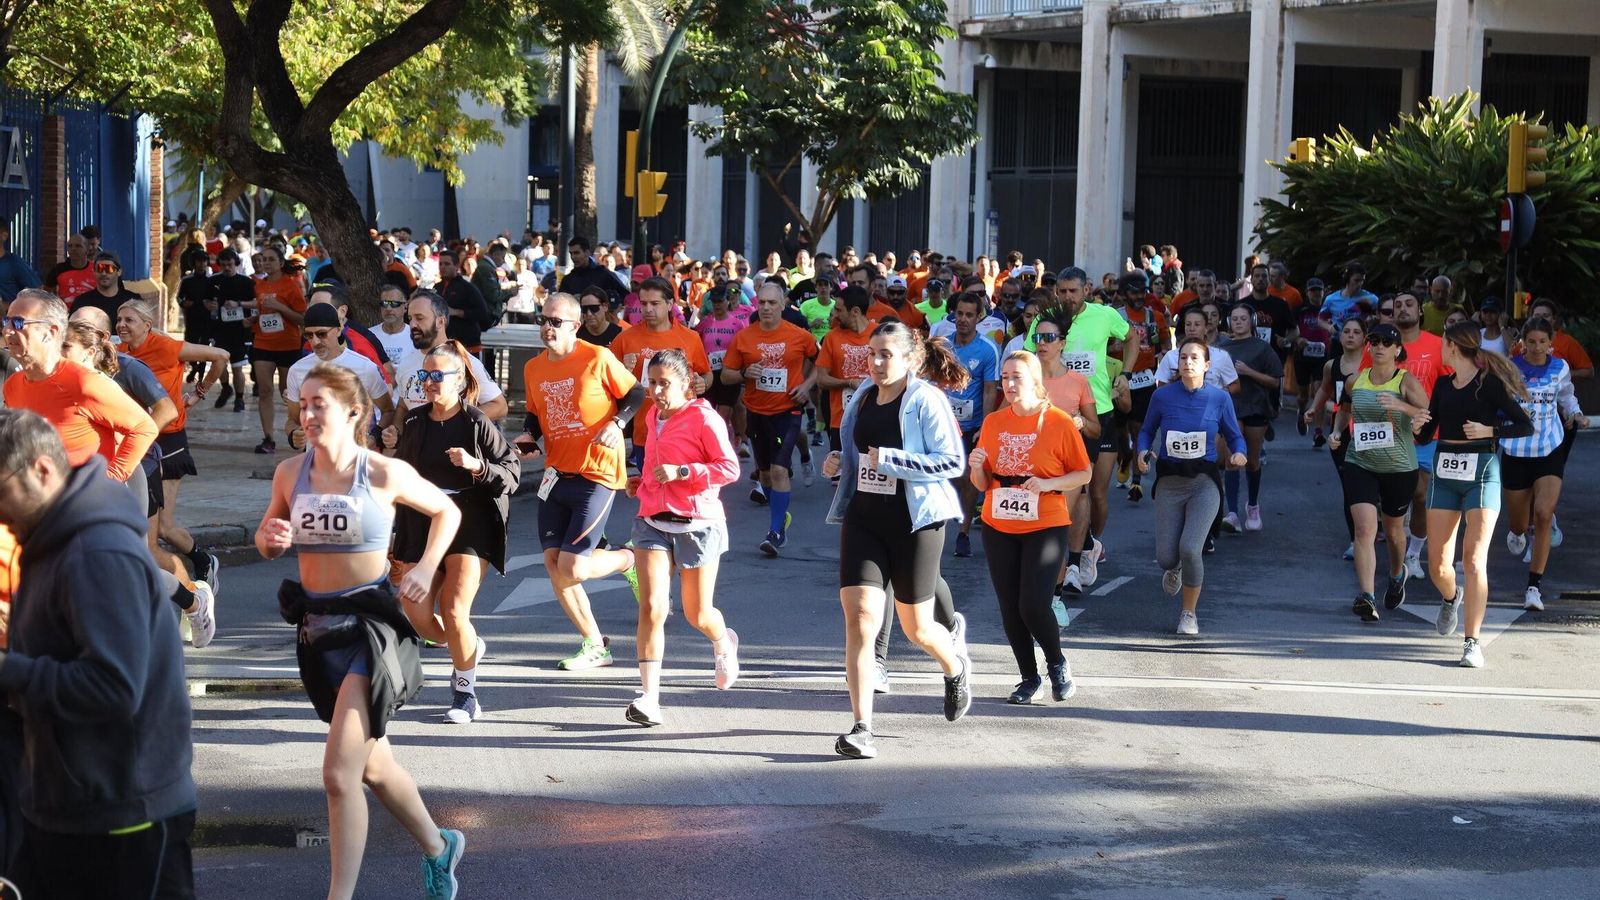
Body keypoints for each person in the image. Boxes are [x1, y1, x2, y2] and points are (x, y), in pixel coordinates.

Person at [255, 363, 466, 898]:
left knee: (337, 773)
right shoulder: (288, 473)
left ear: (353, 411)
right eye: (301, 404)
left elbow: (446, 512)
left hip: (371, 631)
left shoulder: (381, 473)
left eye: (317, 404)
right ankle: (441, 848)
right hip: (316, 629)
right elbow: (267, 538)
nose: (305, 415)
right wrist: (272, 538)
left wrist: (422, 568)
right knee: (372, 765)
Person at [0, 409, 197, 897]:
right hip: (70, 805)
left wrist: (8, 671)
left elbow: (112, 687)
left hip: (121, 814)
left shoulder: (95, 551)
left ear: (42, 471)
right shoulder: (49, 539)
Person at [822, 321, 972, 759]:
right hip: (865, 518)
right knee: (861, 617)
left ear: (910, 358)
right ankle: (861, 726)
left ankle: (955, 666)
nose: (877, 362)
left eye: (887, 354)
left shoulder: (926, 400)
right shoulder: (863, 397)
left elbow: (950, 463)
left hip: (916, 521)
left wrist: (891, 460)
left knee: (918, 628)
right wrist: (838, 463)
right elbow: (855, 454)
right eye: (872, 354)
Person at [383, 342, 520, 725]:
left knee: (455, 610)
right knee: (418, 615)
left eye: (436, 376)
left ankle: (466, 692)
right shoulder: (414, 422)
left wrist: (478, 465)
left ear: (459, 382)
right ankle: (467, 643)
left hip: (469, 520)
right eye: (423, 376)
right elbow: (404, 477)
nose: (428, 383)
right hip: (422, 523)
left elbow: (511, 473)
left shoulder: (477, 422)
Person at [517, 293, 648, 670]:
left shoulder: (596, 357)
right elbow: (534, 415)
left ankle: (628, 559)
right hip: (556, 474)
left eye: (556, 322)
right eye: (543, 319)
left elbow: (636, 392)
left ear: (575, 326)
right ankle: (595, 645)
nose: (547, 327)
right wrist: (528, 436)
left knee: (572, 568)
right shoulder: (533, 368)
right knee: (552, 561)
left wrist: (616, 423)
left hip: (597, 471)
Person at [623, 349, 743, 726]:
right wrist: (639, 483)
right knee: (652, 607)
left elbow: (729, 469)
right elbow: (654, 467)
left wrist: (683, 472)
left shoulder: (704, 418)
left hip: (697, 523)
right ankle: (649, 698)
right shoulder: (652, 415)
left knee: (698, 614)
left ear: (687, 384)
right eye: (652, 383)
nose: (656, 391)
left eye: (664, 384)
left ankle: (724, 642)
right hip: (652, 521)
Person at [969, 351, 1092, 702]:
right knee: (1009, 607)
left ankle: (1057, 663)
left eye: (1017, 377)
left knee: (1033, 605)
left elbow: (1083, 472)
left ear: (1035, 381)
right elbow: (982, 484)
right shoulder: (994, 422)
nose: (1008, 384)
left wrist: (1049, 483)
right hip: (999, 523)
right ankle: (1028, 677)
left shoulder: (1058, 421)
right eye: (1005, 377)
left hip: (1045, 524)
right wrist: (976, 466)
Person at [1416, 322, 1533, 668]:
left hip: (1482, 471)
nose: (1440, 347)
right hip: (1444, 471)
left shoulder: (1489, 384)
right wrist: (1418, 423)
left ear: (1452, 346)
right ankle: (1451, 597)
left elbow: (1525, 424)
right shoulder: (1441, 385)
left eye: (1443, 343)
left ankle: (1471, 642)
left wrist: (1491, 430)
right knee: (1438, 565)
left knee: (1473, 560)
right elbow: (1425, 437)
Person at [1137, 339, 1248, 635]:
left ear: (1207, 365)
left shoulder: (1219, 398)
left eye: (1194, 358)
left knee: (1190, 548)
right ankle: (1174, 568)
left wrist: (1239, 453)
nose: (1187, 362)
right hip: (1170, 482)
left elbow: (1235, 436)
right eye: (1183, 357)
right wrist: (1142, 452)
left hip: (1204, 482)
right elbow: (1147, 431)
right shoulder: (1162, 397)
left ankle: (1188, 614)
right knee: (1166, 557)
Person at [117, 298, 230, 585]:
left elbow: (221, 355)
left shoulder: (167, 346)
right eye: (119, 320)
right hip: (137, 443)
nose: (122, 325)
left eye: (129, 320)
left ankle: (202, 564)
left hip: (169, 441)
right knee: (140, 525)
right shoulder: (117, 353)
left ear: (147, 325)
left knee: (164, 528)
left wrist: (200, 391)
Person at [1327, 323, 1430, 621]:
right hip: (1360, 462)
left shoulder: (1405, 381)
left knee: (1395, 531)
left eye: (1387, 342)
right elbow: (1343, 408)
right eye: (1375, 342)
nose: (1379, 347)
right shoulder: (1355, 381)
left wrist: (1402, 407)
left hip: (1399, 467)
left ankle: (1397, 574)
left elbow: (1428, 416)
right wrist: (1336, 432)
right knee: (1364, 530)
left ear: (1398, 350)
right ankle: (1367, 596)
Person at [1041, 267, 1137, 583]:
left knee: (1096, 492)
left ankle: (1090, 542)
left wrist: (1126, 374)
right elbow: (1031, 358)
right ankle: (1075, 557)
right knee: (1077, 487)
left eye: (1073, 291)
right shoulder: (1048, 320)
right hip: (1058, 415)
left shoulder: (1104, 315)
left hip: (1099, 412)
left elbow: (1132, 337)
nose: (1067, 297)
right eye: (1062, 291)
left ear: (1087, 289)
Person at [722, 282, 818, 556]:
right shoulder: (743, 337)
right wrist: (743, 374)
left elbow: (820, 362)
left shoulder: (799, 335)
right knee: (764, 472)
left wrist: (806, 385)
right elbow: (727, 374)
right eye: (761, 302)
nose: (765, 307)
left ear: (783, 304)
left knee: (778, 470)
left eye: (772, 303)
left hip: (788, 409)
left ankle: (775, 531)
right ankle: (780, 516)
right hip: (756, 411)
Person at [1502, 318, 1588, 611]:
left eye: (1543, 342)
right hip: (1515, 449)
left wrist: (1575, 413)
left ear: (1551, 341)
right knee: (1519, 522)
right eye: (1532, 341)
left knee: (1543, 514)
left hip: (1549, 447)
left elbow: (1566, 395)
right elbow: (1498, 402)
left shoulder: (1560, 367)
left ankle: (1533, 587)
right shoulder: (1509, 367)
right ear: (1522, 342)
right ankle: (1515, 532)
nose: (1537, 348)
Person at [610, 276, 712, 467]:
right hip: (645, 432)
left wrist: (703, 383)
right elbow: (606, 384)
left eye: (655, 303)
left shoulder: (690, 338)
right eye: (644, 303)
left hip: (684, 430)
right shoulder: (625, 339)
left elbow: (707, 374)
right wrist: (623, 370)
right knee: (651, 491)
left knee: (681, 491)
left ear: (670, 304)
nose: (648, 309)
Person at [1390, 291, 1449, 581]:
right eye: (1397, 305)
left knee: (1422, 496)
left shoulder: (1438, 345)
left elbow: (1452, 385)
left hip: (1429, 435)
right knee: (1399, 496)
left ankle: (1413, 553)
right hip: (1391, 434)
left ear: (1420, 311)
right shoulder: (1380, 345)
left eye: (1409, 304)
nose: (1403, 309)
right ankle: (1396, 555)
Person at [939, 292, 1001, 557]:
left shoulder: (987, 349)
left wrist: (984, 428)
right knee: (949, 475)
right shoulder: (941, 345)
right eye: (959, 314)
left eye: (969, 315)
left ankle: (963, 532)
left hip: (971, 424)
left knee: (966, 477)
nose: (962, 319)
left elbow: (989, 391)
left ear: (978, 318)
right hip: (944, 423)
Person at [285, 304, 393, 450]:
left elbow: (388, 411)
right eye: (309, 335)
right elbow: (292, 419)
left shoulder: (365, 367)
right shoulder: (297, 370)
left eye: (321, 334)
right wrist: (293, 435)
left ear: (338, 330)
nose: (315, 341)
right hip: (316, 463)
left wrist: (374, 437)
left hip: (356, 462)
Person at [392, 291, 509, 422]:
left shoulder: (464, 362)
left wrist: (457, 423)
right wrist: (395, 432)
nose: (413, 325)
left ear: (440, 321)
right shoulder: (406, 363)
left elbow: (499, 406)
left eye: (419, 318)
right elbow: (403, 406)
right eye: (410, 318)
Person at [1216, 303, 1281, 532]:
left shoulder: (1262, 348)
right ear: (1229, 322)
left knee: (1252, 461)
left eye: (1243, 318)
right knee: (1232, 459)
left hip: (1256, 407)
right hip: (1230, 407)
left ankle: (1252, 505)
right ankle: (1232, 513)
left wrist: (1248, 372)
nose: (1239, 322)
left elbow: (1275, 381)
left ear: (1252, 321)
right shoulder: (1221, 348)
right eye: (1235, 318)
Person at [1115, 271, 1171, 503]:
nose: (1139, 296)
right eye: (1134, 292)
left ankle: (1136, 481)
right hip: (1119, 380)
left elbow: (1165, 343)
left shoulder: (1155, 317)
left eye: (1142, 292)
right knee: (1119, 432)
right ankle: (1126, 456)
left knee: (1139, 429)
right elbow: (1103, 347)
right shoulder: (1115, 316)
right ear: (1124, 294)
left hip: (1145, 379)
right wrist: (1113, 346)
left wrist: (1166, 353)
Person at [248, 244, 309, 454]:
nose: (266, 263)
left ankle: (298, 432)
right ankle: (268, 438)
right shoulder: (259, 286)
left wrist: (280, 308)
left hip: (288, 344)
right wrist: (252, 320)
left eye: (271, 259)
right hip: (263, 343)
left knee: (288, 392)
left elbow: (302, 318)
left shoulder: (291, 285)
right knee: (264, 391)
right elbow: (262, 314)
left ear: (281, 263)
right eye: (263, 259)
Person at [816, 286, 877, 454]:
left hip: (873, 418)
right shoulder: (831, 337)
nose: (834, 314)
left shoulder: (879, 334)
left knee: (868, 476)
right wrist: (849, 382)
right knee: (840, 476)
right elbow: (821, 379)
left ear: (855, 312)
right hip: (841, 420)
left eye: (839, 310)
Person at [208, 247, 254, 411]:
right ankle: (226, 387)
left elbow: (257, 302)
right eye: (223, 265)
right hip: (219, 329)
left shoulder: (246, 282)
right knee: (219, 362)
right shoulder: (213, 281)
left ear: (236, 264)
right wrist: (209, 305)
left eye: (230, 264)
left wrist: (239, 304)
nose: (227, 268)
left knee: (237, 366)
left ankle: (240, 398)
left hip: (240, 330)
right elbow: (206, 301)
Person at [42, 233, 95, 302]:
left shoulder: (96, 269)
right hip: (66, 311)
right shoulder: (58, 269)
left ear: (87, 250)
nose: (73, 249)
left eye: (78, 246)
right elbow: (45, 293)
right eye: (70, 246)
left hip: (92, 311)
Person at [374, 283, 417, 363]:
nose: (388, 308)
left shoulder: (417, 336)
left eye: (394, 304)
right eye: (384, 304)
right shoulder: (369, 336)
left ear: (405, 307)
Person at [0, 221, 41, 305]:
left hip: (8, 316)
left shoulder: (14, 262)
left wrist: (10, 306)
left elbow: (38, 291)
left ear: (4, 235)